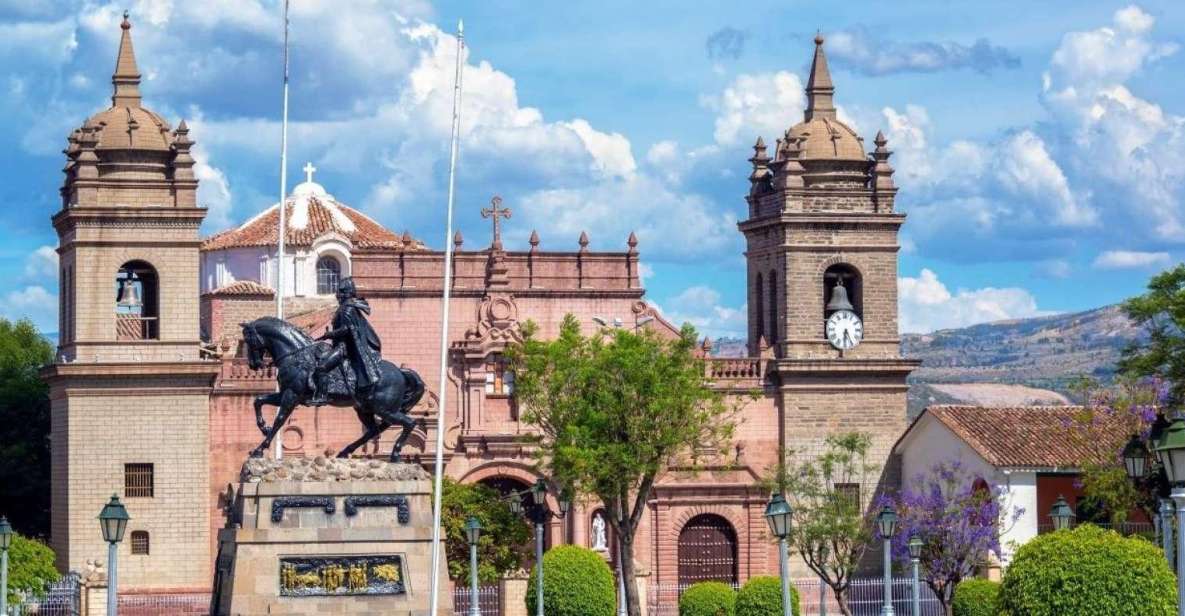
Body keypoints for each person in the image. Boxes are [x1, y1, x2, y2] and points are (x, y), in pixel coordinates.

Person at [308, 277, 383, 404]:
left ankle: (322, 396)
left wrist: (330, 334)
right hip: (339, 345)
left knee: (321, 367)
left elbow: (347, 329)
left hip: (343, 348)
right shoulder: (346, 307)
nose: (338, 296)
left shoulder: (347, 308)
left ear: (345, 293)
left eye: (340, 293)